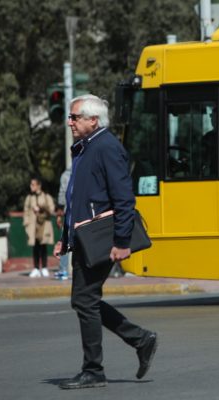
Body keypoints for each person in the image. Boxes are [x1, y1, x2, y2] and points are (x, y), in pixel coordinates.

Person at [53, 94, 157, 390]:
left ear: (93, 120)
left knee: (84, 300)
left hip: (102, 237)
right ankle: (140, 340)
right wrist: (66, 239)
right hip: (85, 238)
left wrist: (122, 241)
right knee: (85, 300)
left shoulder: (107, 147)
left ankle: (94, 370)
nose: (69, 122)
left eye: (75, 117)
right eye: (70, 117)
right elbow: (77, 200)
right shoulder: (86, 148)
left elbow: (124, 199)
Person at [23, 177, 55, 277]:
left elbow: (51, 210)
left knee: (43, 245)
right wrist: (26, 223)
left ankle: (44, 267)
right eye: (31, 184)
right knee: (35, 246)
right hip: (33, 225)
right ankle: (36, 268)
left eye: (33, 184)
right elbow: (26, 211)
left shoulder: (46, 196)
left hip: (44, 224)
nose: (31, 186)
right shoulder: (29, 198)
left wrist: (41, 208)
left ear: (38, 185)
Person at [54, 167, 71, 280]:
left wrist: (59, 214)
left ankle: (63, 270)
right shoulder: (87, 168)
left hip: (69, 211)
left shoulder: (66, 174)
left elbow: (62, 193)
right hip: (85, 211)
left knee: (65, 240)